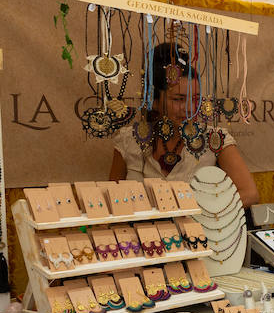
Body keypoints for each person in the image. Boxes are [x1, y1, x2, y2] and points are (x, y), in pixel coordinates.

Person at [109, 42, 259, 207]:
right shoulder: (128, 140)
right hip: (143, 232)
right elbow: (113, 200)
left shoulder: (215, 139)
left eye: (195, 99)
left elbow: (249, 194)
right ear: (154, 101)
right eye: (178, 99)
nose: (189, 109)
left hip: (198, 230)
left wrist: (198, 210)